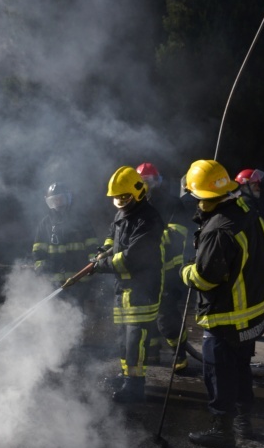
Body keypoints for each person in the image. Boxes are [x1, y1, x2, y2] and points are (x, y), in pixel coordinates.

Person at [181, 159, 264, 448]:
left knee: (219, 374)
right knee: (241, 369)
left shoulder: (217, 229)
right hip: (253, 316)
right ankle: (244, 423)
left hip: (226, 319)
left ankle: (223, 430)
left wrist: (185, 272)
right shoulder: (247, 211)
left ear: (201, 197)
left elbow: (206, 278)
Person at [91, 166, 165, 403]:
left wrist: (102, 265)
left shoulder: (149, 219)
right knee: (124, 337)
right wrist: (103, 251)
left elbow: (131, 258)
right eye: (117, 198)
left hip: (142, 289)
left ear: (138, 192)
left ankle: (135, 385)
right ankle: (126, 376)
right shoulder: (122, 215)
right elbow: (112, 238)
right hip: (123, 289)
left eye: (125, 197)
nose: (121, 201)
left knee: (136, 340)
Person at [136, 162, 191, 371]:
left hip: (168, 271)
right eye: (141, 182)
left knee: (166, 318)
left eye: (149, 181)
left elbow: (176, 236)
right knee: (147, 316)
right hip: (145, 272)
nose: (145, 186)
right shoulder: (137, 205)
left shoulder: (173, 204)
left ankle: (180, 354)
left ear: (157, 181)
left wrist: (144, 238)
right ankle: (152, 353)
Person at [32, 182, 100, 296]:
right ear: (49, 202)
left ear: (68, 198)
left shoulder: (82, 221)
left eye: (61, 199)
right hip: (54, 284)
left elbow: (93, 247)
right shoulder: (45, 224)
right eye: (54, 200)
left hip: (80, 281)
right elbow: (38, 251)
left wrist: (92, 268)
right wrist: (41, 270)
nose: (58, 203)